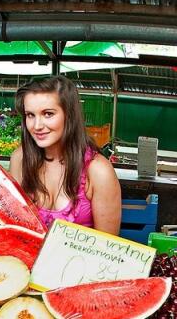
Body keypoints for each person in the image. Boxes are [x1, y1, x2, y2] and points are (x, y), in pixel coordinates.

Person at [9, 76, 121, 235]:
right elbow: (14, 227)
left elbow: (106, 248)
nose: (37, 126)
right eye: (30, 115)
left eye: (48, 114)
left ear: (69, 115)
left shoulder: (98, 171)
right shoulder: (19, 159)